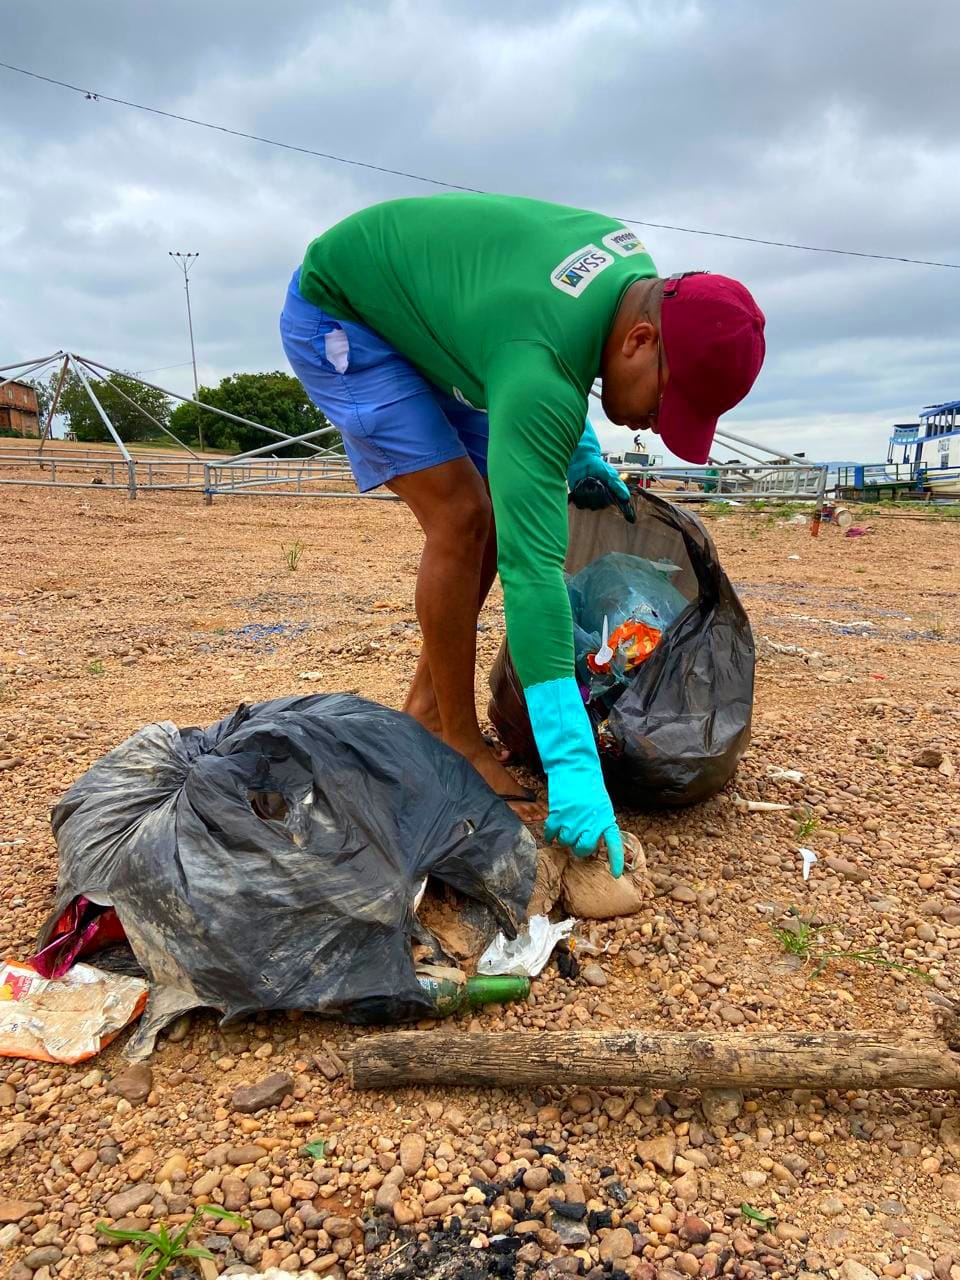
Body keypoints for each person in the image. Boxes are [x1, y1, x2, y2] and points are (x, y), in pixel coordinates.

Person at [280, 194, 765, 876]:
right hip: (346, 313)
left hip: (460, 327)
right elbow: (532, 570)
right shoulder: (536, 368)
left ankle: (427, 707)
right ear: (641, 340)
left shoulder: (641, 282)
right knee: (463, 516)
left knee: (493, 506)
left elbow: (553, 335)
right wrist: (572, 761)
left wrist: (580, 447)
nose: (656, 425)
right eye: (665, 402)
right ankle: (451, 735)